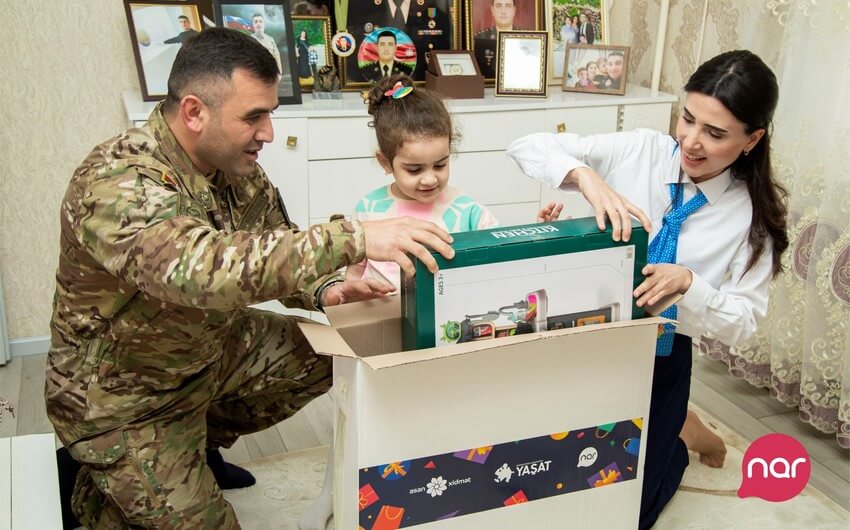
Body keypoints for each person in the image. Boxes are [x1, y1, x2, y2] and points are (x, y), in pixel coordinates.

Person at [47, 27, 455, 530]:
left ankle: (195, 445)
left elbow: (273, 241)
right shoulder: (117, 180)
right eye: (253, 116)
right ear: (195, 112)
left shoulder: (235, 167)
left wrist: (324, 288)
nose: (266, 132)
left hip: (205, 351)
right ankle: (101, 485)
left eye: (270, 114)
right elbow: (199, 270)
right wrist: (355, 237)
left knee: (331, 356)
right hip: (126, 394)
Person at [506, 50, 788, 528]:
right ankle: (682, 421)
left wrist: (690, 286)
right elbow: (525, 145)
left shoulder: (752, 219)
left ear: (752, 139)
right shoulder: (641, 150)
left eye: (715, 134)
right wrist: (586, 177)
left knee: (632, 512)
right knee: (549, 480)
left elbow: (742, 324)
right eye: (688, 118)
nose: (691, 143)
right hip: (586, 333)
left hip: (662, 353)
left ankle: (681, 434)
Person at [297, 75, 561, 530]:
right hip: (386, 333)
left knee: (437, 423)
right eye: (414, 169)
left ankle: (439, 496)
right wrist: (350, 286)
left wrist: (536, 228)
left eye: (440, 165)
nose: (430, 179)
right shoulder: (368, 208)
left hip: (448, 337)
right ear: (385, 162)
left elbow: (498, 262)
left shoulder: (468, 211)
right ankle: (332, 493)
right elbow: (355, 272)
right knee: (360, 418)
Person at [474, 0, 522, 78]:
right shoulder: (479, 38)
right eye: (499, 6)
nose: (503, 11)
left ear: (514, 10)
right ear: (492, 10)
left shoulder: (527, 37)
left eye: (508, 6)